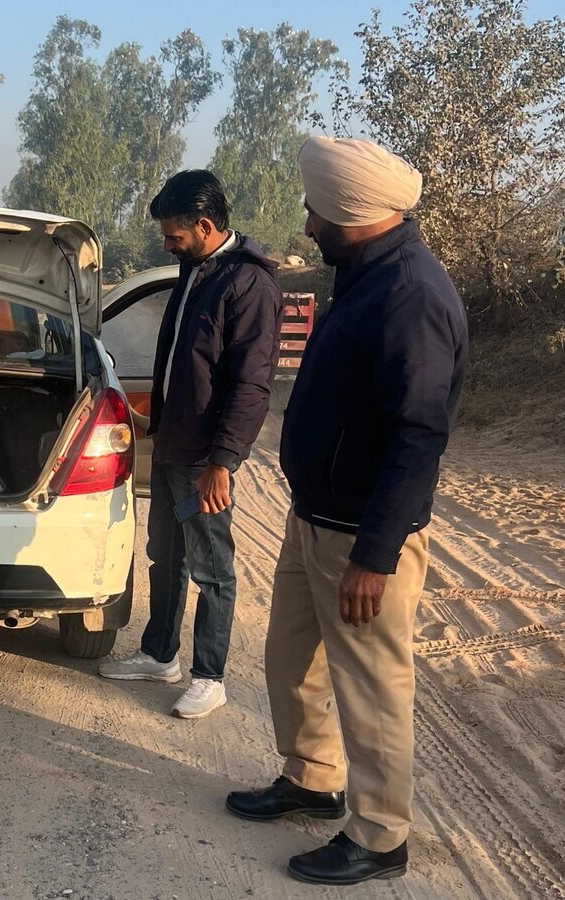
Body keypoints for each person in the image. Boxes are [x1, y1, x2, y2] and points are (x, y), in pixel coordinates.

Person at [224, 136, 468, 885]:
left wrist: (376, 554)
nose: (307, 223)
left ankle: (381, 836)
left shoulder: (411, 296)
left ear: (353, 213)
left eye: (316, 210)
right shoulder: (364, 276)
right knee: (291, 660)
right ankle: (312, 779)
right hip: (314, 518)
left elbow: (419, 434)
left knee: (372, 690)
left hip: (361, 535)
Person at [97, 169, 282, 720]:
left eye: (173, 235)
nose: (166, 244)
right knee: (166, 555)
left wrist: (223, 461)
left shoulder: (248, 285)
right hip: (173, 444)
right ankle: (159, 655)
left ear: (204, 225)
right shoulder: (194, 269)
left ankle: (210, 676)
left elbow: (252, 385)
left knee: (212, 568)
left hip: (205, 457)